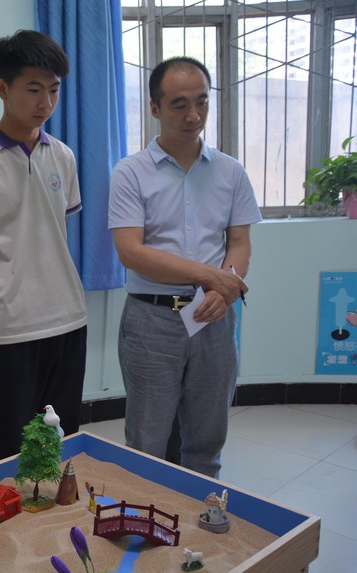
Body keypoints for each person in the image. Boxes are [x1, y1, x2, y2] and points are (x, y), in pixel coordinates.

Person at [108, 56, 262, 478]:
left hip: (214, 316)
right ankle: (147, 515)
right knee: (147, 441)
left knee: (207, 440)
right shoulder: (130, 173)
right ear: (155, 108)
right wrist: (210, 276)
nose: (194, 115)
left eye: (202, 102)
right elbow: (131, 252)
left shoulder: (230, 171)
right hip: (152, 321)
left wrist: (223, 288)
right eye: (179, 104)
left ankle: (200, 512)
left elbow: (239, 242)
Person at [0, 30, 87, 465]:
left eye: (53, 90)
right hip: (8, 333)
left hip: (68, 321)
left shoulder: (62, 156)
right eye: (33, 89)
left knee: (59, 447)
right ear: (3, 88)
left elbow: (54, 237)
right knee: (6, 455)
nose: (45, 102)